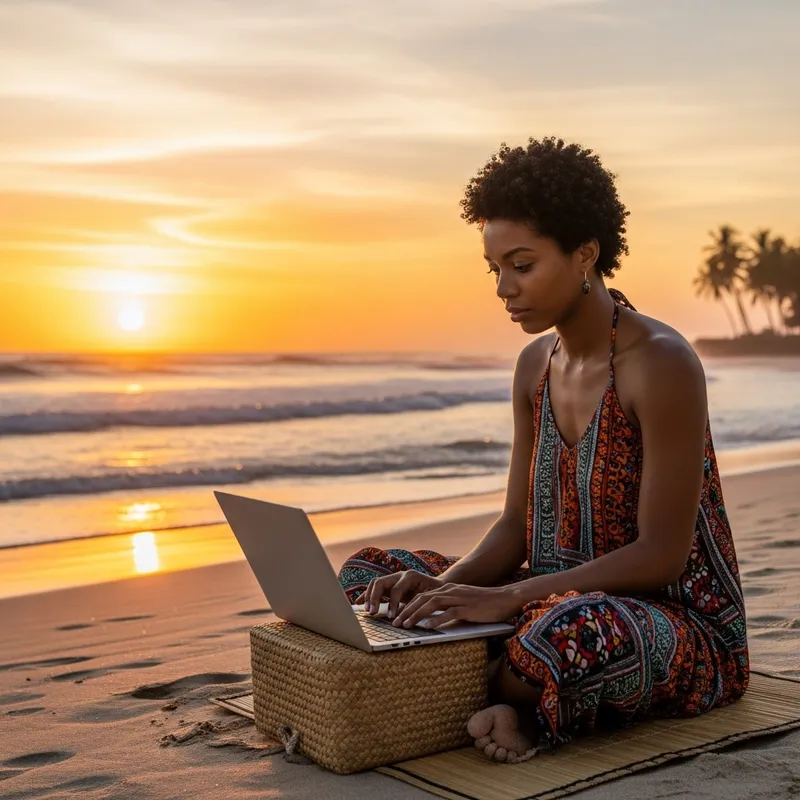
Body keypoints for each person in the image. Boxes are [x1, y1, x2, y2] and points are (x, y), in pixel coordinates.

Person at [338, 137, 749, 762]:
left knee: (562, 634)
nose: (503, 287)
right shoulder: (535, 365)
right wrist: (437, 593)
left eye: (522, 265)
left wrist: (505, 599)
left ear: (585, 253)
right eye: (494, 268)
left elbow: (662, 557)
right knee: (371, 576)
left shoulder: (661, 365)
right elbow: (514, 527)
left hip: (667, 621)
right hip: (538, 592)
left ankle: (506, 695)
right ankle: (476, 679)